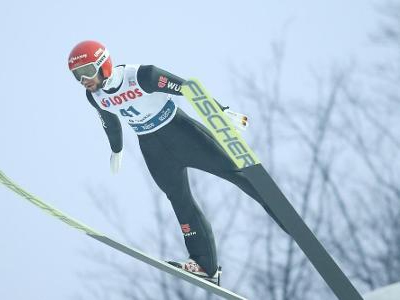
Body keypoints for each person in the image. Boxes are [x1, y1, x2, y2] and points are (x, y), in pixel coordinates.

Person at [68, 40, 286, 285]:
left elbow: (188, 89)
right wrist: (117, 151)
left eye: (86, 71)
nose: (83, 79)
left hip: (181, 132)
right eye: (77, 75)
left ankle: (284, 215)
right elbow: (110, 123)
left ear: (103, 65)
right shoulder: (93, 96)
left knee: (235, 173)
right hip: (153, 149)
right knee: (179, 200)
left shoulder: (141, 75)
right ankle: (205, 264)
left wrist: (220, 111)